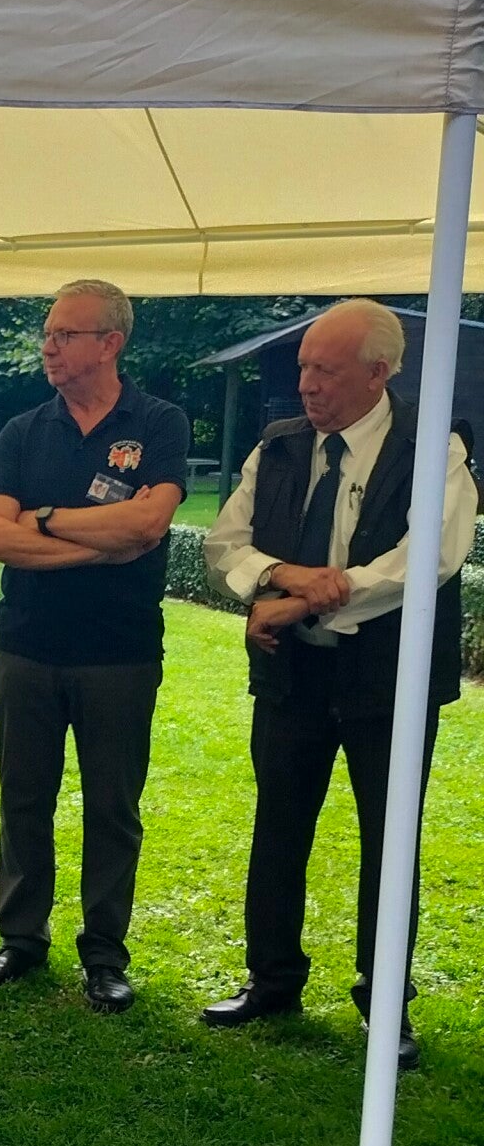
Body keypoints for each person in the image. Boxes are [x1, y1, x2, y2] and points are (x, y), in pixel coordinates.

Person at [201, 298, 477, 1071]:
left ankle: (384, 1004)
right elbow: (225, 546)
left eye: (325, 370)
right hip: (292, 674)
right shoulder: (280, 445)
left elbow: (429, 558)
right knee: (279, 828)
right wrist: (285, 577)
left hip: (389, 681)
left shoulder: (435, 446)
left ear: (378, 373)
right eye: (303, 367)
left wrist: (318, 596)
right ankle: (271, 981)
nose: (307, 385)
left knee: (390, 841)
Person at [0, 280, 188, 1013]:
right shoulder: (23, 431)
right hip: (26, 648)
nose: (50, 347)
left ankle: (104, 953)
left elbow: (149, 524)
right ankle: (21, 938)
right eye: (48, 334)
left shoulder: (158, 423)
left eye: (66, 334)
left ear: (110, 343)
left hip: (120, 654)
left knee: (112, 807)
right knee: (24, 798)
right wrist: (98, 543)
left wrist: (39, 522)